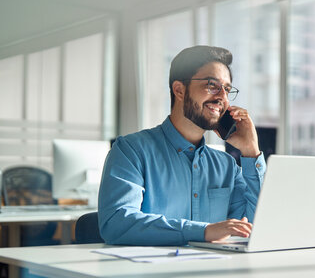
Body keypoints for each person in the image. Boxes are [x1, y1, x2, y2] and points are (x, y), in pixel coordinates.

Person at [98, 45, 266, 246]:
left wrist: (251, 152)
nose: (223, 97)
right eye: (212, 85)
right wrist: (203, 231)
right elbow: (116, 222)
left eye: (227, 89)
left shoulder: (227, 166)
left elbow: (257, 226)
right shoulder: (131, 150)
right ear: (179, 90)